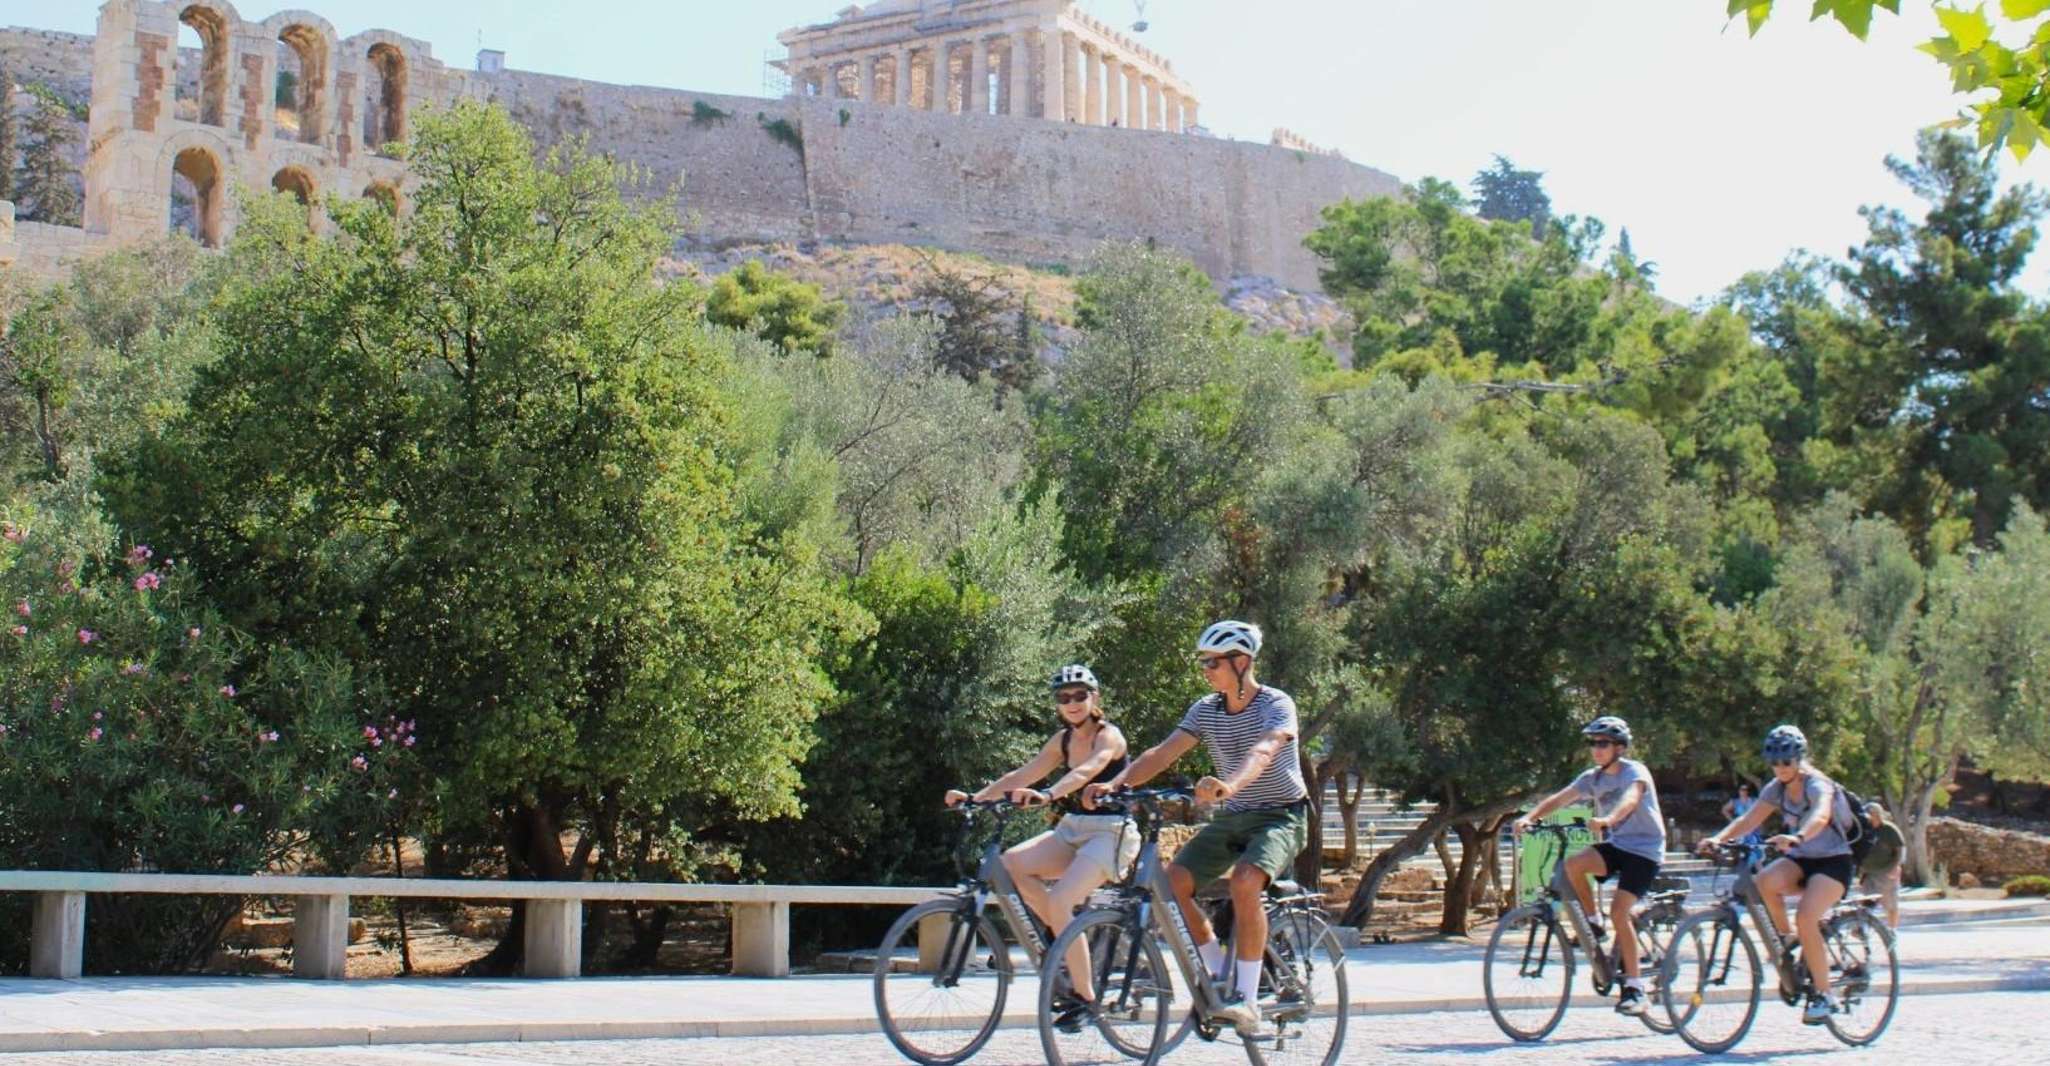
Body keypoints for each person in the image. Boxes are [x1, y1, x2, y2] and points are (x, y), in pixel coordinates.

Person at [1084, 620, 1307, 1035]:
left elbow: (1266, 749)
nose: (1205, 669)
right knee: (1173, 884)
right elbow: (1164, 752)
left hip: (1281, 814)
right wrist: (1115, 785)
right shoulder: (1206, 708)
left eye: (1212, 662)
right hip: (1233, 816)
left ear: (1241, 662)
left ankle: (1250, 1000)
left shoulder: (1276, 704)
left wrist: (1230, 785)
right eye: (1203, 662)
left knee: (1245, 881)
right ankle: (1219, 973)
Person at [944, 664, 1135, 1032]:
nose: (1073, 703)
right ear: (1058, 705)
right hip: (1074, 828)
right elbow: (1022, 775)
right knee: (1010, 864)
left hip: (1111, 832)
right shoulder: (1062, 740)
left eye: (1080, 695)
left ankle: (1086, 999)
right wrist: (975, 798)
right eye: (1065, 698)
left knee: (1062, 899)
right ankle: (1064, 938)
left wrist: (1049, 794)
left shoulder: (1109, 736)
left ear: (1095, 698)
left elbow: (1087, 771)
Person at [1697, 724, 1856, 1025]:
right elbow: (1750, 818)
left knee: (1807, 916)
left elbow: (1821, 814)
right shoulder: (1776, 788)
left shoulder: (1817, 784)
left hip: (1833, 862)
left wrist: (1798, 836)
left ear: (1799, 759)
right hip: (1802, 858)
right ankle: (1790, 940)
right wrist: (1719, 838)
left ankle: (1825, 995)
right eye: (1775, 762)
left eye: (1787, 762)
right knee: (1764, 882)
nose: (1780, 768)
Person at [1513, 716, 1666, 1017]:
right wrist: (1530, 817)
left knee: (1620, 911)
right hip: (1620, 846)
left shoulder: (1635, 771)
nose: (1596, 749)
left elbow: (1631, 799)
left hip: (1645, 850)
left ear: (1619, 747)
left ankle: (1635, 988)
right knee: (1573, 863)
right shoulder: (1592, 778)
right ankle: (1593, 921)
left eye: (1603, 743)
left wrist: (1609, 820)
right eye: (1593, 743)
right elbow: (1560, 798)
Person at [1858, 802, 1905, 929]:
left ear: (1878, 815)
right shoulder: (1863, 830)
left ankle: (1892, 931)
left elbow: (1900, 851)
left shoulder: (1889, 830)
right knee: (1866, 905)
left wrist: (1896, 867)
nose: (1868, 817)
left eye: (1871, 814)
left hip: (1886, 872)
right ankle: (1862, 930)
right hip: (1868, 874)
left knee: (1891, 906)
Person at [1722, 782, 1764, 847]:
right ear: (1739, 791)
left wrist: (1759, 821)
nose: (1744, 791)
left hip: (1752, 824)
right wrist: (1731, 820)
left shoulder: (1753, 800)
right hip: (1740, 824)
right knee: (1740, 843)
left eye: (1746, 790)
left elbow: (1760, 810)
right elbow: (1724, 810)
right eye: (1742, 789)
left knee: (1754, 843)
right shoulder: (1735, 801)